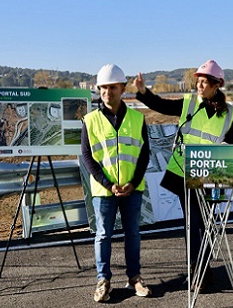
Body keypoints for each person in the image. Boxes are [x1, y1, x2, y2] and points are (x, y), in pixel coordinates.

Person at [134, 59, 233, 291]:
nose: (199, 86)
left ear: (216, 85)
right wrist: (143, 92)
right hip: (185, 171)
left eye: (204, 82)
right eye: (198, 82)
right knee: (193, 223)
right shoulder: (189, 104)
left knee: (209, 224)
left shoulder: (228, 113)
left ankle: (204, 267)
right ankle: (197, 269)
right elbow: (161, 105)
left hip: (214, 173)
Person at [81, 64, 152, 302]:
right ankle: (103, 281)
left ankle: (135, 278)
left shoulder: (137, 119)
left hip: (132, 188)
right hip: (104, 190)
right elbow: (88, 157)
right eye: (103, 88)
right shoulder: (90, 121)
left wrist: (133, 182)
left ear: (122, 88)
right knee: (103, 235)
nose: (107, 92)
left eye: (112, 87)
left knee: (133, 234)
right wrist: (107, 183)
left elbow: (144, 154)